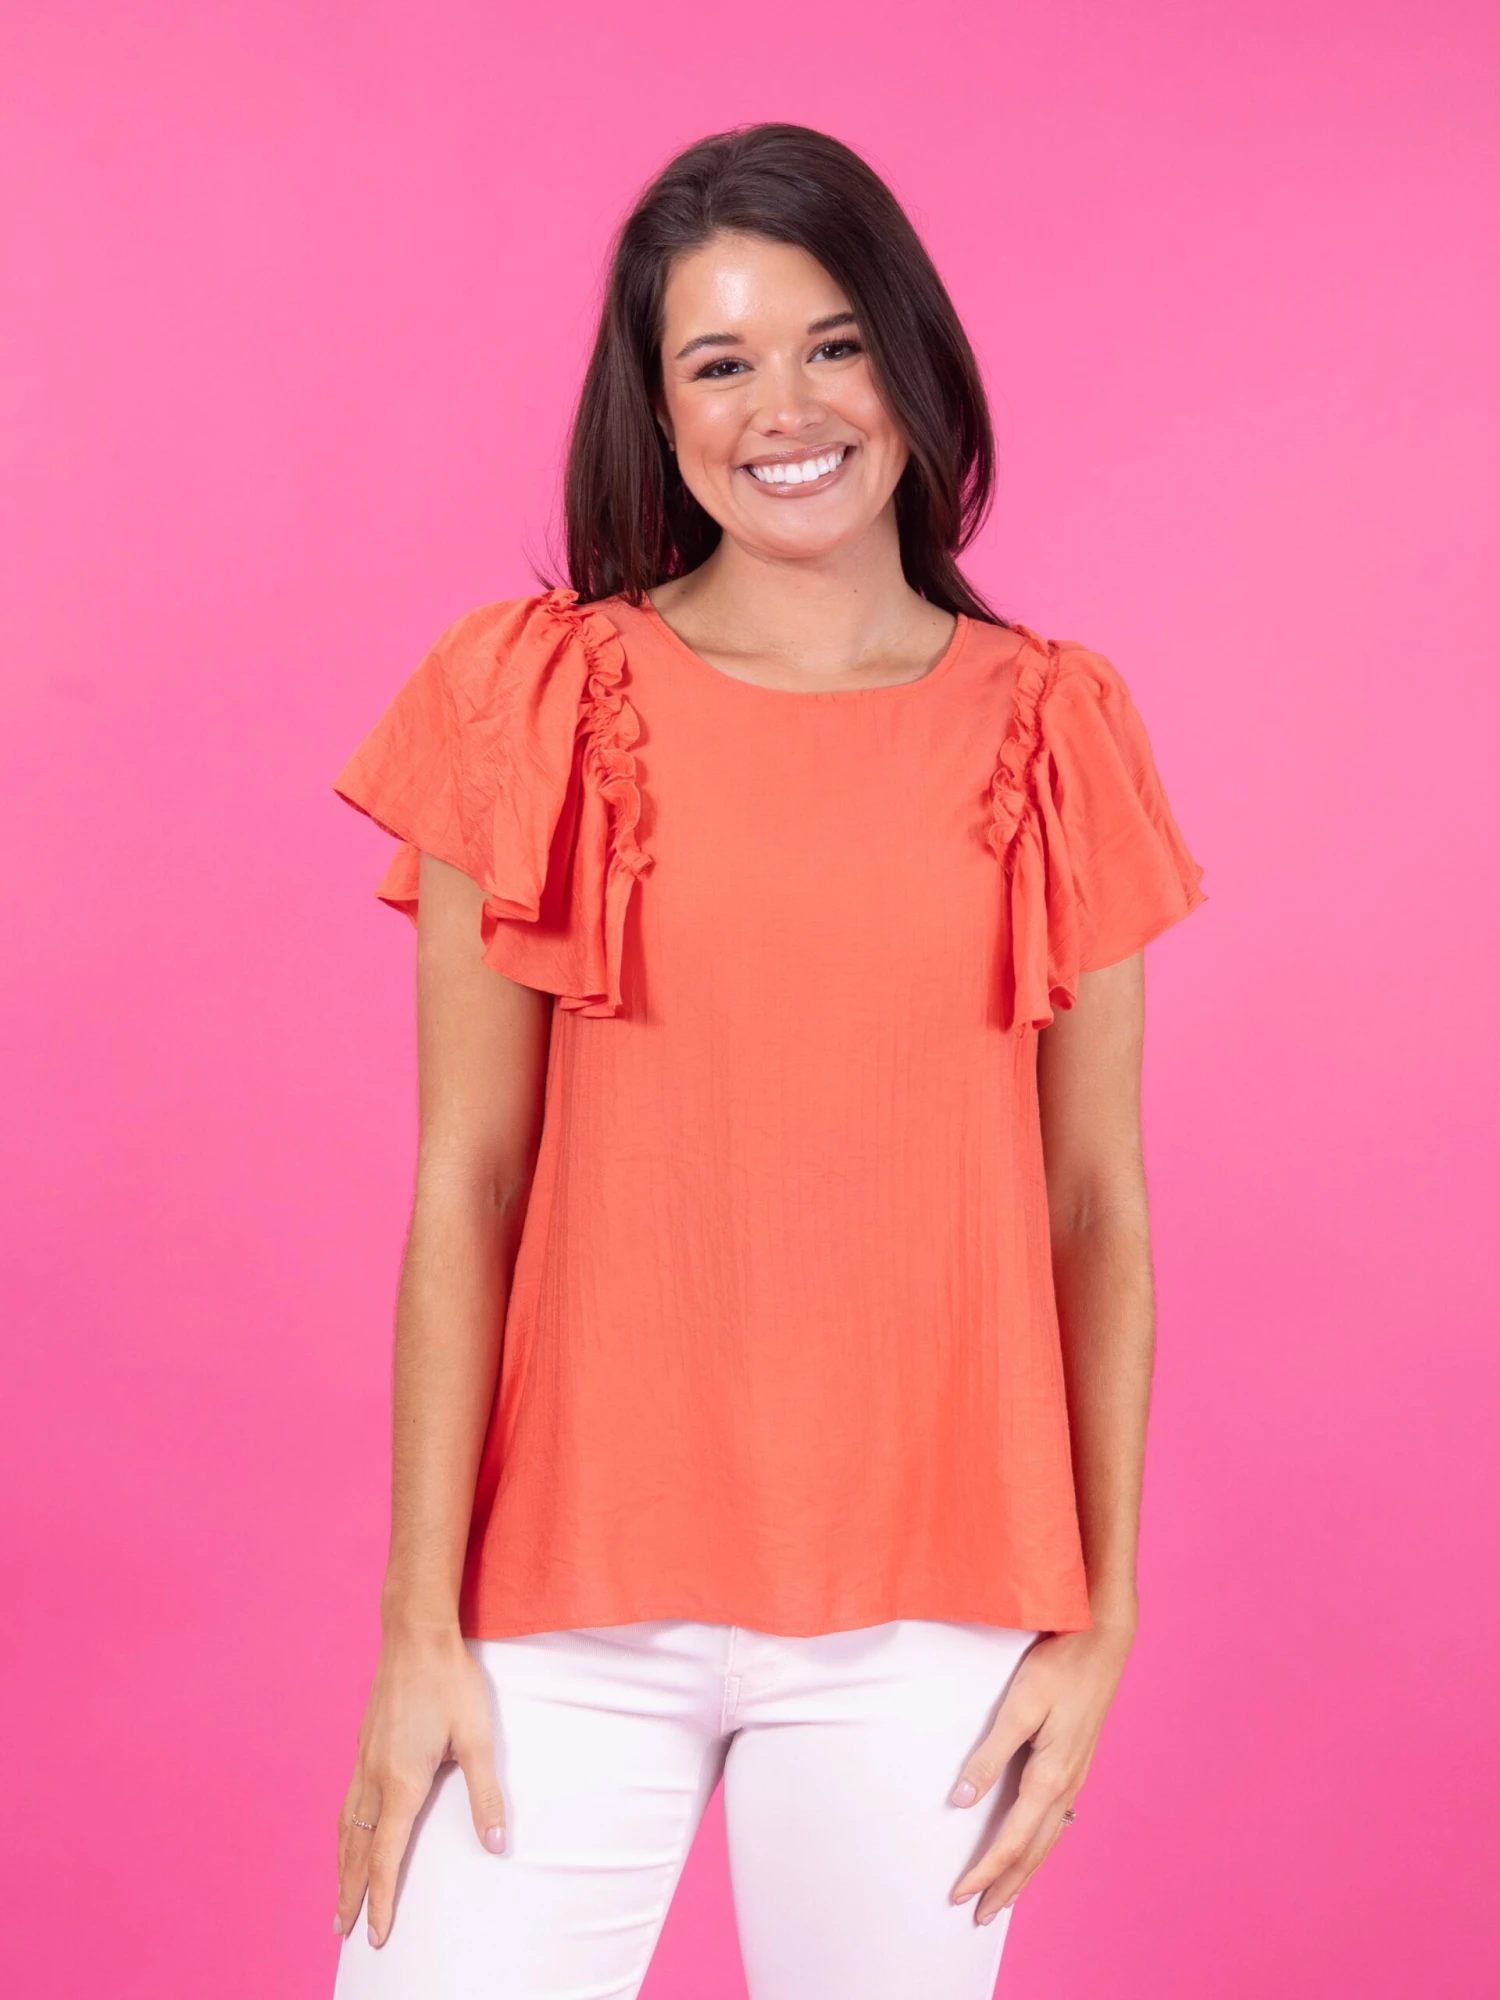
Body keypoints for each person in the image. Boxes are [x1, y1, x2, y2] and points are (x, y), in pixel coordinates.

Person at [327, 121, 1206, 2000]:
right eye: (720, 362)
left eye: (833, 344)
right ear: (656, 411)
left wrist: (1104, 1617)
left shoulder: (1057, 726)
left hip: (931, 1608)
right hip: (560, 1590)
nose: (785, 409)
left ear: (913, 359)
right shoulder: (530, 701)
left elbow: (1094, 1205)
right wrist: (414, 1626)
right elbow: (468, 1182)